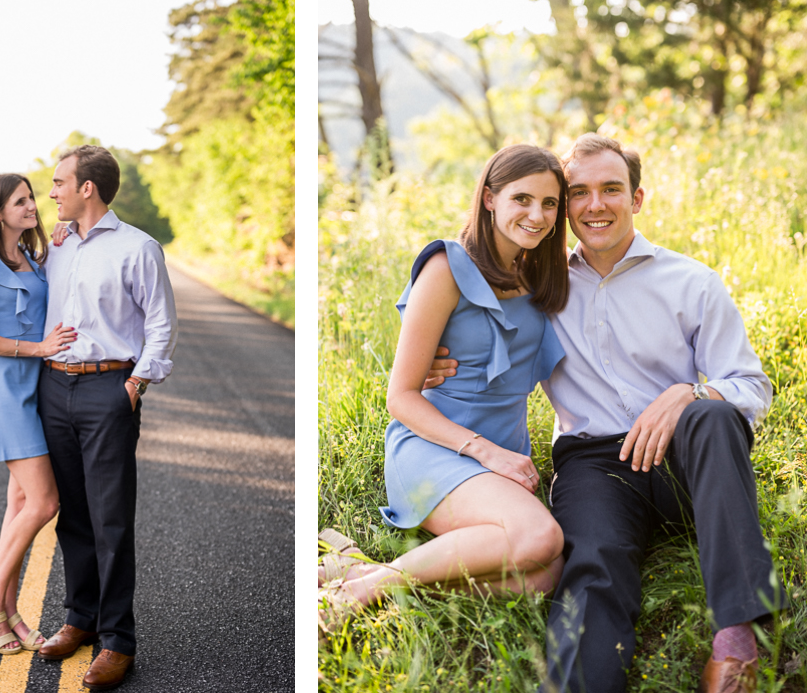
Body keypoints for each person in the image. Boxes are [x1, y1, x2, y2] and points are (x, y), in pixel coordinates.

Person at [425, 134, 787, 693]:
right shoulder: (539, 287)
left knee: (712, 416)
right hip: (597, 465)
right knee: (591, 566)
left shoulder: (691, 282)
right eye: (579, 192)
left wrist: (689, 393)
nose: (595, 205)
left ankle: (738, 639)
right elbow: (475, 333)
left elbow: (751, 387)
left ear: (636, 198)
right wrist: (439, 364)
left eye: (611, 189)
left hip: (690, 461)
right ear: (564, 205)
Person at [318, 145, 570, 634]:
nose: (537, 215)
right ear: (490, 198)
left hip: (500, 450)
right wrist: (486, 452)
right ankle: (357, 593)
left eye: (550, 203)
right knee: (539, 536)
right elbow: (401, 396)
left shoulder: (542, 271)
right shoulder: (447, 268)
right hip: (436, 447)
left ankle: (363, 571)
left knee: (545, 576)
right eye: (522, 199)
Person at [34, 145, 178, 692]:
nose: (52, 193)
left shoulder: (138, 248)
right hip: (54, 386)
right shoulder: (59, 246)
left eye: (58, 183)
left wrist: (135, 386)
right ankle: (80, 618)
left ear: (86, 188)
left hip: (108, 389)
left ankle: (117, 641)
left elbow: (161, 325)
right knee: (72, 515)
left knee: (110, 519)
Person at [0, 174, 77, 655]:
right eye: (21, 201)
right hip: (5, 385)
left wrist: (63, 246)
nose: (33, 206)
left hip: (38, 385)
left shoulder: (32, 258)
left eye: (32, 198)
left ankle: (10, 609)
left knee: (19, 505)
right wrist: (39, 348)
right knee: (45, 503)